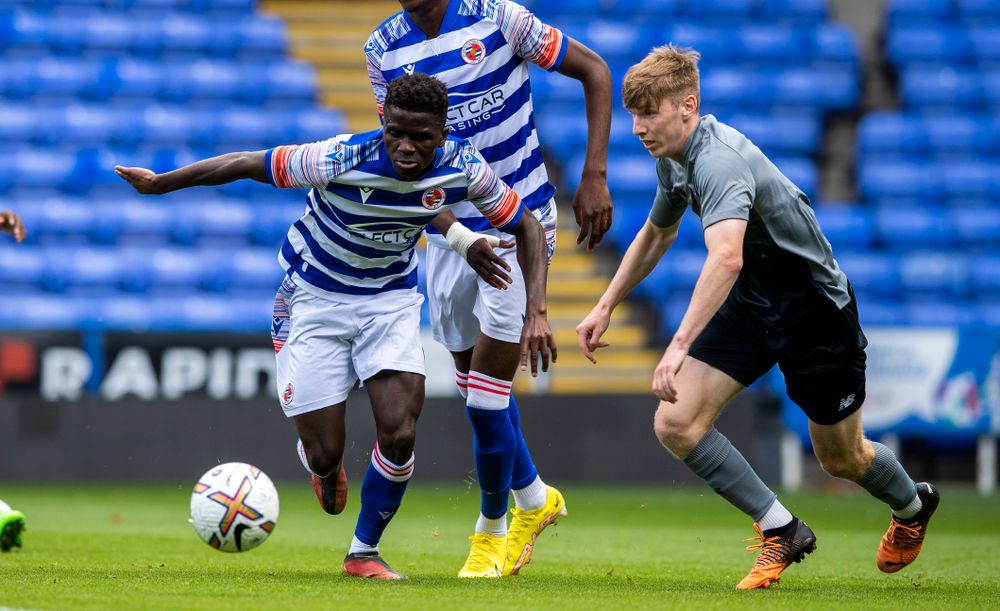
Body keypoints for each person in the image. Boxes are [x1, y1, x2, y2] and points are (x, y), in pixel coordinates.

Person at [116, 73, 556, 580]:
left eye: (421, 137)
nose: (406, 147)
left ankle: (362, 553)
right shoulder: (338, 158)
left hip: (388, 301)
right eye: (396, 133)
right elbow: (245, 163)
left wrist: (537, 311)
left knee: (400, 430)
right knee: (327, 451)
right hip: (313, 301)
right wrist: (160, 183)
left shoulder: (463, 166)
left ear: (443, 132)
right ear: (383, 124)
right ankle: (322, 466)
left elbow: (525, 224)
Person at [576, 46, 939, 590]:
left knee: (841, 459)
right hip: (754, 303)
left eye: (648, 113)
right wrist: (606, 304)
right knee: (676, 423)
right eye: (634, 115)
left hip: (814, 310)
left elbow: (726, 257)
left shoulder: (718, 160)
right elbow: (659, 231)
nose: (637, 128)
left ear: (686, 106)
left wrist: (676, 348)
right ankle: (782, 529)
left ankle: (913, 507)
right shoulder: (673, 158)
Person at [365, 0, 613, 577]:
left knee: (484, 397)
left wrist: (593, 173)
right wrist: (451, 234)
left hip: (518, 226)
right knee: (472, 381)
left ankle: (490, 535)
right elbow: (403, 158)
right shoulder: (382, 48)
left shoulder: (498, 17)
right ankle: (534, 499)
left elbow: (596, 72)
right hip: (450, 234)